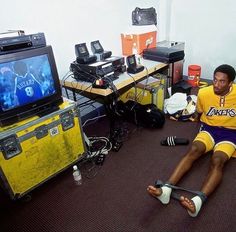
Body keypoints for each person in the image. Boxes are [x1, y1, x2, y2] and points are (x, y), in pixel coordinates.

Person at [147, 64, 236, 217]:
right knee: (194, 149)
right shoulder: (204, 92)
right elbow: (199, 113)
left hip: (230, 134)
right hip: (209, 129)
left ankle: (198, 201)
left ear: (230, 83)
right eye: (215, 80)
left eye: (222, 81)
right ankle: (166, 190)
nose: (216, 84)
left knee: (218, 160)